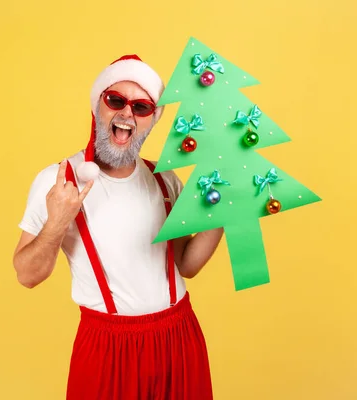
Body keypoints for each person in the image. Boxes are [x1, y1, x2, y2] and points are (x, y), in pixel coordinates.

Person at [13, 54, 224, 400]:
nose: (127, 114)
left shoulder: (165, 180)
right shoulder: (58, 181)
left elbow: (186, 264)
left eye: (141, 107)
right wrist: (58, 222)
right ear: (98, 106)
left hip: (180, 337)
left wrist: (222, 214)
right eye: (116, 100)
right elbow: (26, 275)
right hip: (107, 347)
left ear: (152, 120)